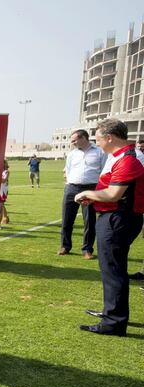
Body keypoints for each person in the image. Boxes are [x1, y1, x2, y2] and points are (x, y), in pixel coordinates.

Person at [76, 118, 144, 336]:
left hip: (118, 219)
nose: (97, 143)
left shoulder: (127, 159)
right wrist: (96, 197)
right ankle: (112, 312)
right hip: (115, 216)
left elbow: (114, 194)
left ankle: (113, 322)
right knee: (113, 269)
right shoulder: (120, 157)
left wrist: (87, 193)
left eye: (98, 138)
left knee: (113, 270)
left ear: (109, 137)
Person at [58, 129, 105, 258]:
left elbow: (104, 171)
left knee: (89, 220)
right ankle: (65, 246)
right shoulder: (72, 154)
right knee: (67, 219)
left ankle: (87, 249)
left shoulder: (99, 152)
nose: (72, 143)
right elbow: (68, 170)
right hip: (71, 188)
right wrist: (69, 183)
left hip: (90, 188)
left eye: (74, 140)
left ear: (83, 138)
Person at [0, 159, 10, 229]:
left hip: (2, 192)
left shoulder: (6, 172)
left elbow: (3, 181)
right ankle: (5, 218)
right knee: (0, 206)